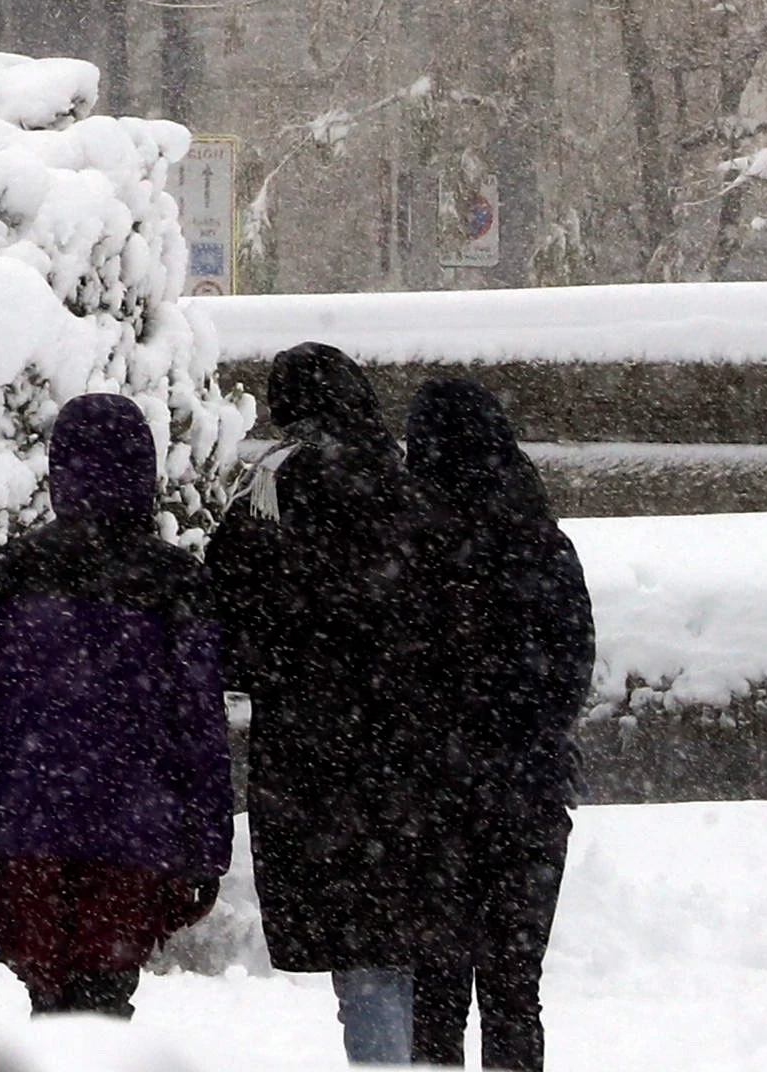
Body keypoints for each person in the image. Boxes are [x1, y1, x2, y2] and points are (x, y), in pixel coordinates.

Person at [212, 343, 456, 1065]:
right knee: (408, 937)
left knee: (365, 951)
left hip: (314, 753)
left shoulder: (270, 489)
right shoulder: (413, 482)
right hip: (412, 750)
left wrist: (288, 666)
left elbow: (229, 623)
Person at [0, 391, 231, 1019]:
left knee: (48, 996)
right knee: (103, 1000)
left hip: (28, 824)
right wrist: (206, 844)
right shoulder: (176, 581)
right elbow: (199, 724)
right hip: (135, 828)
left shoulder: (11, 570)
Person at [405, 379, 594, 1071]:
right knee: (516, 994)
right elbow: (572, 666)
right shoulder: (541, 542)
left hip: (431, 803)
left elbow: (390, 678)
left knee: (435, 992)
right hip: (528, 794)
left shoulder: (409, 547)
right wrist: (523, 734)